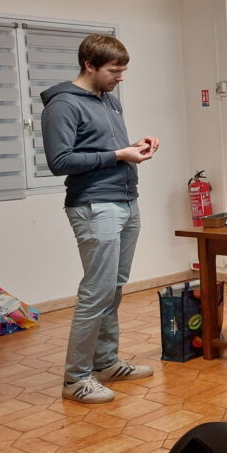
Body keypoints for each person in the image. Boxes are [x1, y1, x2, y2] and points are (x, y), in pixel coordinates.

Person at [42, 34, 158, 403]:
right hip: (94, 205)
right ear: (89, 65)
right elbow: (60, 161)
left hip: (126, 201)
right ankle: (76, 379)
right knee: (97, 292)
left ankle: (106, 362)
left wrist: (135, 147)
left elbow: (105, 150)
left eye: (123, 70)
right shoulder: (63, 105)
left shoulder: (109, 101)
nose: (120, 77)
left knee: (114, 287)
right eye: (113, 71)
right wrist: (119, 155)